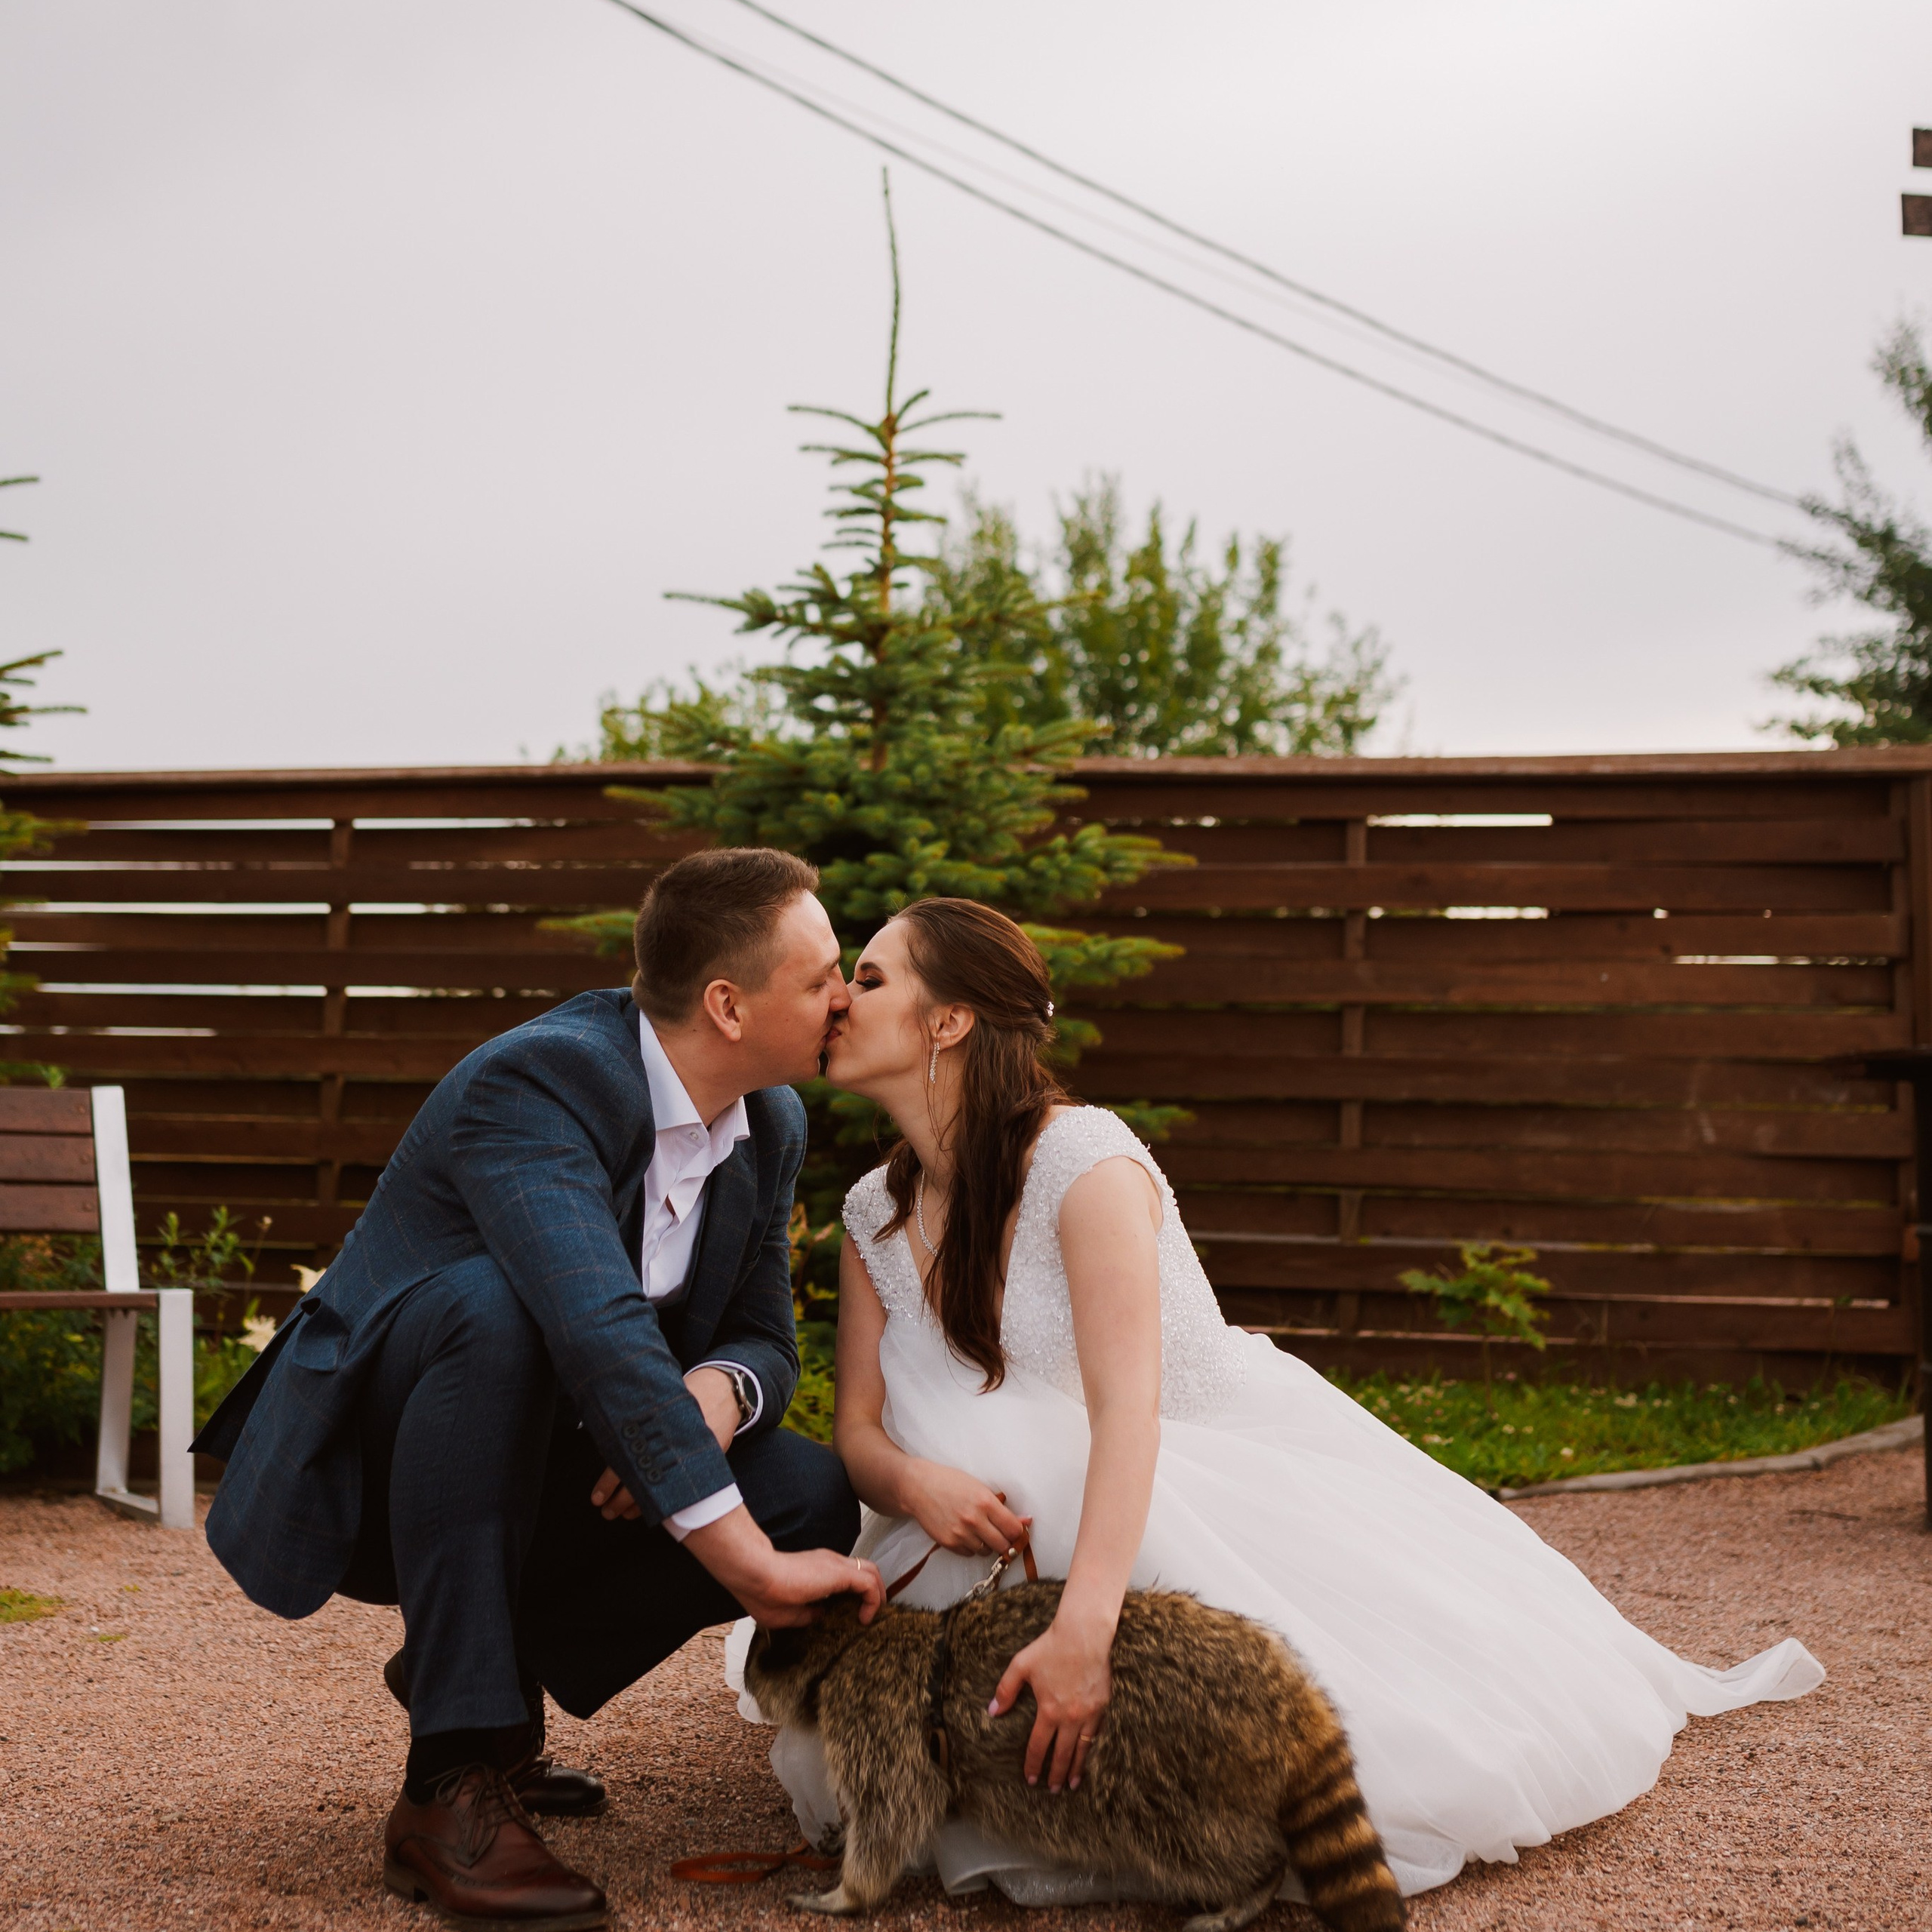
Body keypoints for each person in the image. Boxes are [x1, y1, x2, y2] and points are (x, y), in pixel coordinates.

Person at [728, 897, 1824, 1907]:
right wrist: (914, 1479)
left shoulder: (1082, 1162)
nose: (837, 999)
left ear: (950, 1020)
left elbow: (1126, 1413)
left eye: (868, 978)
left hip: (1178, 1470)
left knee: (1377, 1747)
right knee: (978, 1500)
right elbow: (861, 1430)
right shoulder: (877, 1206)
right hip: (981, 1502)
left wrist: (1085, 1629)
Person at [195, 848, 884, 1932]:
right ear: (727, 1004)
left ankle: (480, 1671)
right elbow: (594, 1323)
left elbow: (764, 1336)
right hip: (383, 1467)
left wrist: (716, 1390)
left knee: (804, 1491)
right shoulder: (542, 1079)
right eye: (823, 975)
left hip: (556, 1459)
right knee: (497, 1306)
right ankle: (449, 1778)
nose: (845, 998)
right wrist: (744, 1561)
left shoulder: (770, 1122)